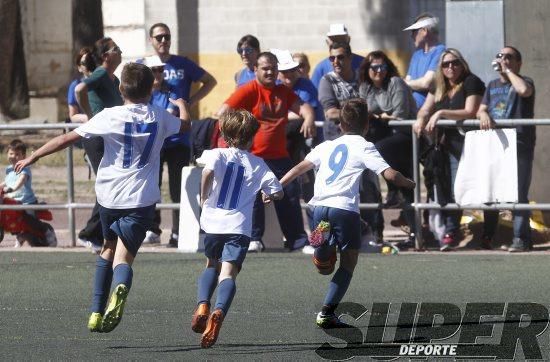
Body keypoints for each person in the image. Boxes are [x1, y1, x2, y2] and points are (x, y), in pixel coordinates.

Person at [15, 62, 191, 333]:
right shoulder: (159, 115)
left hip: (109, 197)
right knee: (123, 258)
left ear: (121, 88)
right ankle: (120, 286)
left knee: (107, 248)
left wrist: (34, 155)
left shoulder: (110, 115)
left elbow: (66, 139)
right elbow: (186, 126)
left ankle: (95, 313)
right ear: (150, 88)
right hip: (141, 199)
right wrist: (181, 104)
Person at [279, 98, 415, 328]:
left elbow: (300, 167)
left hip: (319, 206)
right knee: (349, 261)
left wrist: (278, 185)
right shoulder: (364, 146)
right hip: (344, 208)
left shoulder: (326, 146)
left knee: (325, 264)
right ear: (366, 126)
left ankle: (321, 249)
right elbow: (389, 174)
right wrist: (409, 182)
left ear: (340, 125)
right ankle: (327, 313)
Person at [191, 110, 283, 348]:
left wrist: (203, 197)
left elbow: (207, 171)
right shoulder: (258, 164)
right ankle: (219, 311)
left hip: (212, 222)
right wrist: (268, 194)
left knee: (211, 263)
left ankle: (203, 304)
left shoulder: (216, 154)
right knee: (228, 273)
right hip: (239, 227)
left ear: (223, 133)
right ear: (252, 137)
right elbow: (278, 190)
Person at [217, 52, 316, 252]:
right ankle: (253, 239)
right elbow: (223, 111)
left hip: (280, 157)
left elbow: (305, 108)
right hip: (253, 157)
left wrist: (309, 118)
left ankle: (298, 241)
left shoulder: (283, 91)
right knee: (252, 196)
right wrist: (234, 135)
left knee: (289, 195)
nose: (270, 72)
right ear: (256, 70)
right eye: (265, 68)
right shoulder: (249, 89)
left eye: (273, 68)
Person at [145, 23, 218, 246]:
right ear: (151, 40)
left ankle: (177, 231)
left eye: (167, 36)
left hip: (178, 137)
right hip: (152, 139)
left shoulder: (182, 64)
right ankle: (151, 228)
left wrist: (191, 102)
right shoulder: (143, 64)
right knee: (150, 186)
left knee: (179, 187)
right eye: (159, 37)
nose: (163, 41)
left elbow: (210, 81)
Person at [414, 48, 485, 251]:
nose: (450, 67)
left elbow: (470, 111)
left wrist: (442, 113)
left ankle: (453, 231)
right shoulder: (439, 84)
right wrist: (420, 119)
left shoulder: (471, 81)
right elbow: (425, 108)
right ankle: (442, 230)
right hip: (440, 145)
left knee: (456, 187)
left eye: (454, 62)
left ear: (462, 64)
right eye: (445, 64)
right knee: (439, 185)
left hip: (463, 144)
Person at [477, 46, 535, 252]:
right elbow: (482, 108)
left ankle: (521, 238)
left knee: (519, 192)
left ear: (518, 62)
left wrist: (509, 71)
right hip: (496, 144)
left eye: (509, 57)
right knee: (492, 192)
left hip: (519, 143)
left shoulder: (525, 81)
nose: (503, 59)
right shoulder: (492, 85)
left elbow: (524, 91)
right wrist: (483, 115)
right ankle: (489, 236)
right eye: (500, 56)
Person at [358, 50, 417, 245]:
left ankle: (393, 191)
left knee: (378, 151)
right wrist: (378, 117)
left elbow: (400, 115)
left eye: (382, 67)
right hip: (386, 138)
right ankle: (408, 232)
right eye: (373, 67)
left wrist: (379, 117)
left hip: (405, 135)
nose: (378, 71)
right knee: (405, 185)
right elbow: (362, 112)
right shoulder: (365, 88)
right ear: (367, 70)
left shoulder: (395, 83)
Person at [75, 37, 124, 252]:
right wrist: (89, 116)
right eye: (116, 49)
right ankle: (89, 234)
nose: (120, 51)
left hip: (110, 138)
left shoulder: (113, 80)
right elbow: (79, 90)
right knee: (107, 184)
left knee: (112, 183)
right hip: (96, 138)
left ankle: (103, 233)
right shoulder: (101, 73)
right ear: (105, 56)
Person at [1, 139, 56, 247]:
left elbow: (22, 180)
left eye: (17, 154)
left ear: (24, 156)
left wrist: (12, 188)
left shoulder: (24, 167)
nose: (13, 156)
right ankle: (21, 235)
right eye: (11, 153)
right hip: (12, 202)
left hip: (26, 202)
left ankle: (46, 230)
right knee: (8, 218)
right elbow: (6, 182)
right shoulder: (8, 169)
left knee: (30, 221)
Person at [403, 13, 446, 110]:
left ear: (424, 31)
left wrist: (404, 83)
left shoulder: (441, 51)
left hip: (428, 114)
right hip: (410, 111)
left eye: (414, 31)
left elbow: (427, 83)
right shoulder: (416, 55)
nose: (411, 36)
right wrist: (408, 83)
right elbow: (408, 81)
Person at [310, 24, 364, 89]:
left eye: (341, 39)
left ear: (348, 40)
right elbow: (314, 94)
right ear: (327, 42)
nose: (338, 43)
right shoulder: (321, 68)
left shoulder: (363, 63)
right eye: (334, 40)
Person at [67, 47, 96, 123]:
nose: (89, 65)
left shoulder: (104, 80)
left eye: (91, 61)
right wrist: (89, 118)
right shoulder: (75, 85)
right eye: (85, 63)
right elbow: (73, 115)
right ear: (79, 67)